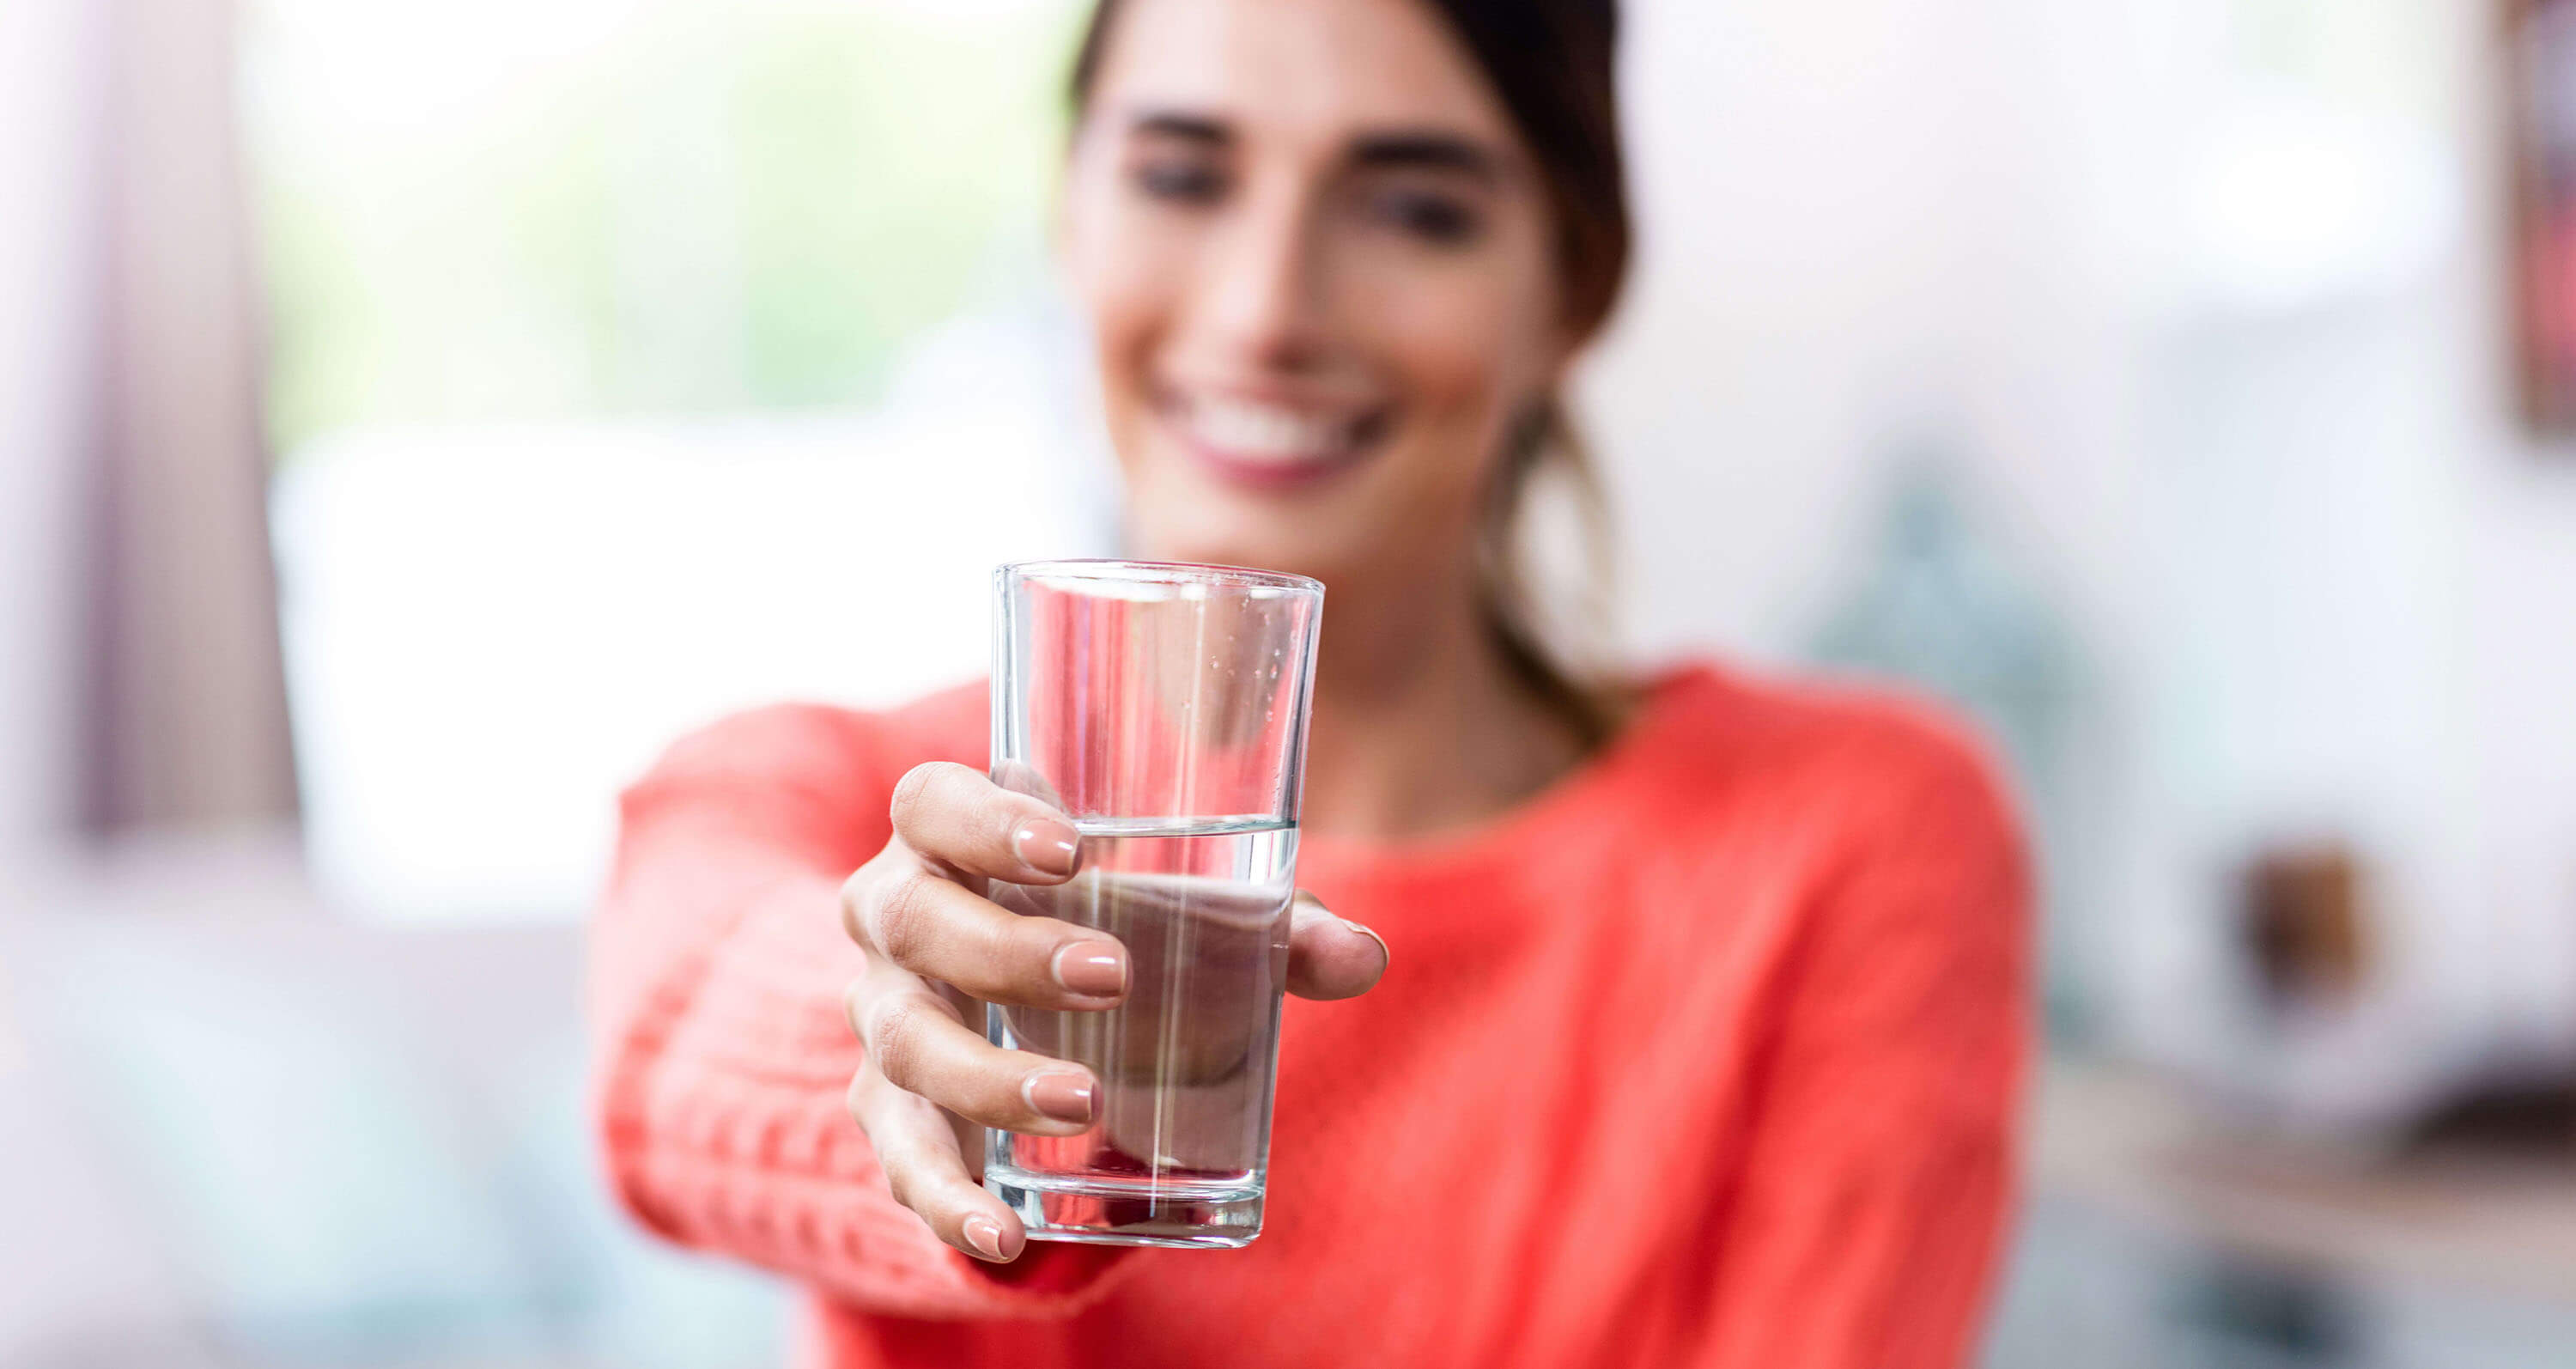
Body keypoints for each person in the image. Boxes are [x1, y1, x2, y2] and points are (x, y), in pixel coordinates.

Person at [588, 0, 2030, 1365]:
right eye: (1181, 177)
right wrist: (912, 1041)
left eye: (1415, 207)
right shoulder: (836, 802)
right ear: (1068, 217)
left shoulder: (1851, 836)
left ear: (1572, 287)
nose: (1269, 307)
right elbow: (675, 1037)